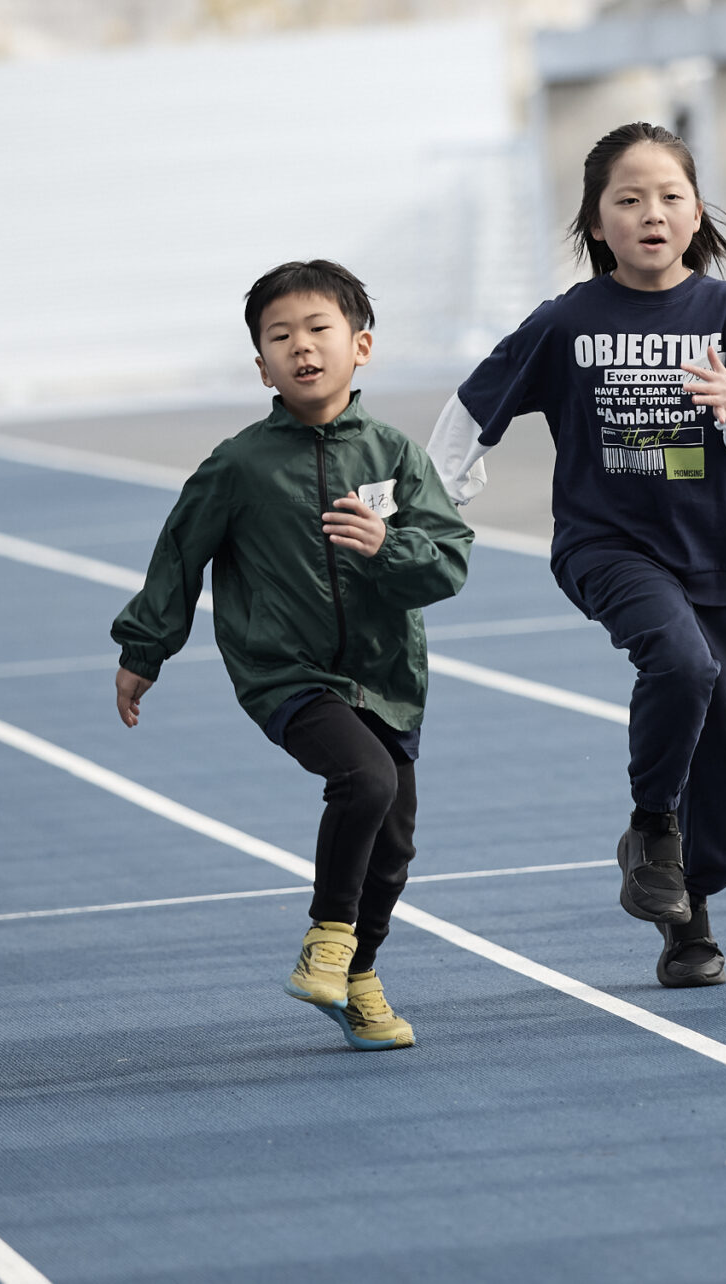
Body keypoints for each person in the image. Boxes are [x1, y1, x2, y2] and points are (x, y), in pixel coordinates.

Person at [429, 122, 726, 989]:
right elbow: (469, 411)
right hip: (608, 545)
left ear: (697, 211)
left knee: (725, 761)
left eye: (669, 196)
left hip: (720, 554)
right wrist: (425, 513)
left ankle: (688, 908)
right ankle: (653, 826)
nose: (651, 213)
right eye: (627, 200)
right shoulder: (568, 323)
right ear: (597, 223)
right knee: (680, 662)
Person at [112, 260, 471, 1050]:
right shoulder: (240, 464)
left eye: (319, 330)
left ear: (361, 345)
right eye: (281, 337)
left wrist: (390, 545)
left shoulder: (395, 455)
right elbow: (180, 554)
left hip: (386, 676)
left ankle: (359, 976)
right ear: (261, 364)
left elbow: (449, 560)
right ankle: (327, 937)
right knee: (363, 777)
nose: (302, 348)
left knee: (396, 838)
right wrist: (146, 648)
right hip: (286, 672)